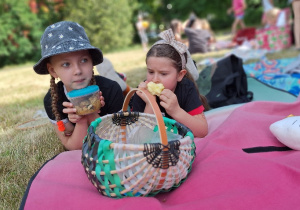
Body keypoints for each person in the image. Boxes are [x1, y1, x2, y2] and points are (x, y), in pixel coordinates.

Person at [33, 21, 124, 150]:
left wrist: (91, 113)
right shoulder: (52, 101)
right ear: (53, 71)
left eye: (83, 60)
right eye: (66, 64)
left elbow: (116, 141)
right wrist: (81, 120)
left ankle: (122, 81)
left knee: (125, 92)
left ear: (91, 61)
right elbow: (73, 148)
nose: (78, 71)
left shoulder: (111, 90)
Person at [131, 29, 209, 138]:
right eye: (151, 72)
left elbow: (202, 131)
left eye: (163, 74)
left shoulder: (186, 88)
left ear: (180, 75)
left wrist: (176, 111)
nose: (155, 79)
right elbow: (140, 139)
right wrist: (150, 105)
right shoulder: (141, 94)